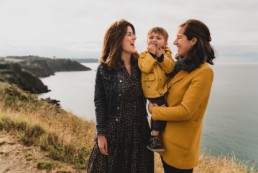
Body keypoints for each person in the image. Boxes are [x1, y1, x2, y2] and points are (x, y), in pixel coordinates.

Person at [148, 19, 215, 173]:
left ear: (193, 40)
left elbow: (186, 111)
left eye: (179, 37)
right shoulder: (180, 66)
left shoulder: (204, 72)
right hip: (166, 144)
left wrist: (154, 111)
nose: (174, 42)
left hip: (180, 151)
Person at [87, 19, 154, 173]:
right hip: (115, 133)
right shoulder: (105, 69)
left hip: (140, 132)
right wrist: (101, 134)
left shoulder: (142, 66)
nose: (134, 38)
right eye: (129, 34)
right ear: (117, 38)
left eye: (134, 34)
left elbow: (158, 82)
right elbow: (100, 103)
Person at [138, 27, 175, 152]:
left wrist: (160, 56)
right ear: (147, 40)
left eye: (158, 38)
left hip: (163, 90)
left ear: (165, 43)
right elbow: (144, 68)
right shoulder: (144, 55)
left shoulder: (167, 55)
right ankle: (154, 136)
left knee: (158, 112)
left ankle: (154, 136)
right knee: (161, 111)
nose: (154, 40)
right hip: (152, 90)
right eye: (151, 37)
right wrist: (152, 54)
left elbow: (170, 69)